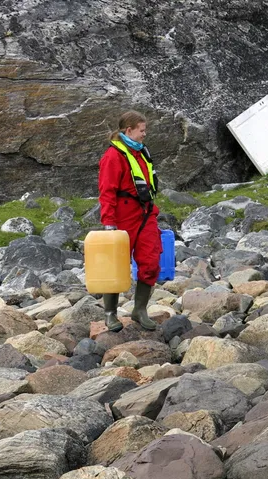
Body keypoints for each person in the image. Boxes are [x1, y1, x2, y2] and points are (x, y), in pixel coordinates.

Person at [98, 110, 161, 332]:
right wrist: (108, 223)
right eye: (142, 130)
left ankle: (140, 310)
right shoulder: (113, 156)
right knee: (115, 267)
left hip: (145, 216)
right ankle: (110, 314)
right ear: (129, 131)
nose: (145, 134)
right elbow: (107, 191)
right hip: (122, 219)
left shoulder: (141, 152)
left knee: (151, 261)